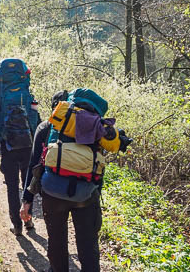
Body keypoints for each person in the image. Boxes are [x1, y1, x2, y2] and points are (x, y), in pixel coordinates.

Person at [20, 89, 131, 272]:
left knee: (56, 244)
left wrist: (27, 201)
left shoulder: (47, 127)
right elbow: (98, 169)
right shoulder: (98, 128)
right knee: (88, 247)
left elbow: (34, 165)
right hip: (86, 196)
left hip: (52, 193)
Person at [0, 58, 41, 236]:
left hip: (7, 145)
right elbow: (37, 123)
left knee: (11, 186)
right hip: (27, 146)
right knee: (27, 184)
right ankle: (29, 220)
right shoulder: (28, 97)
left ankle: (16, 226)